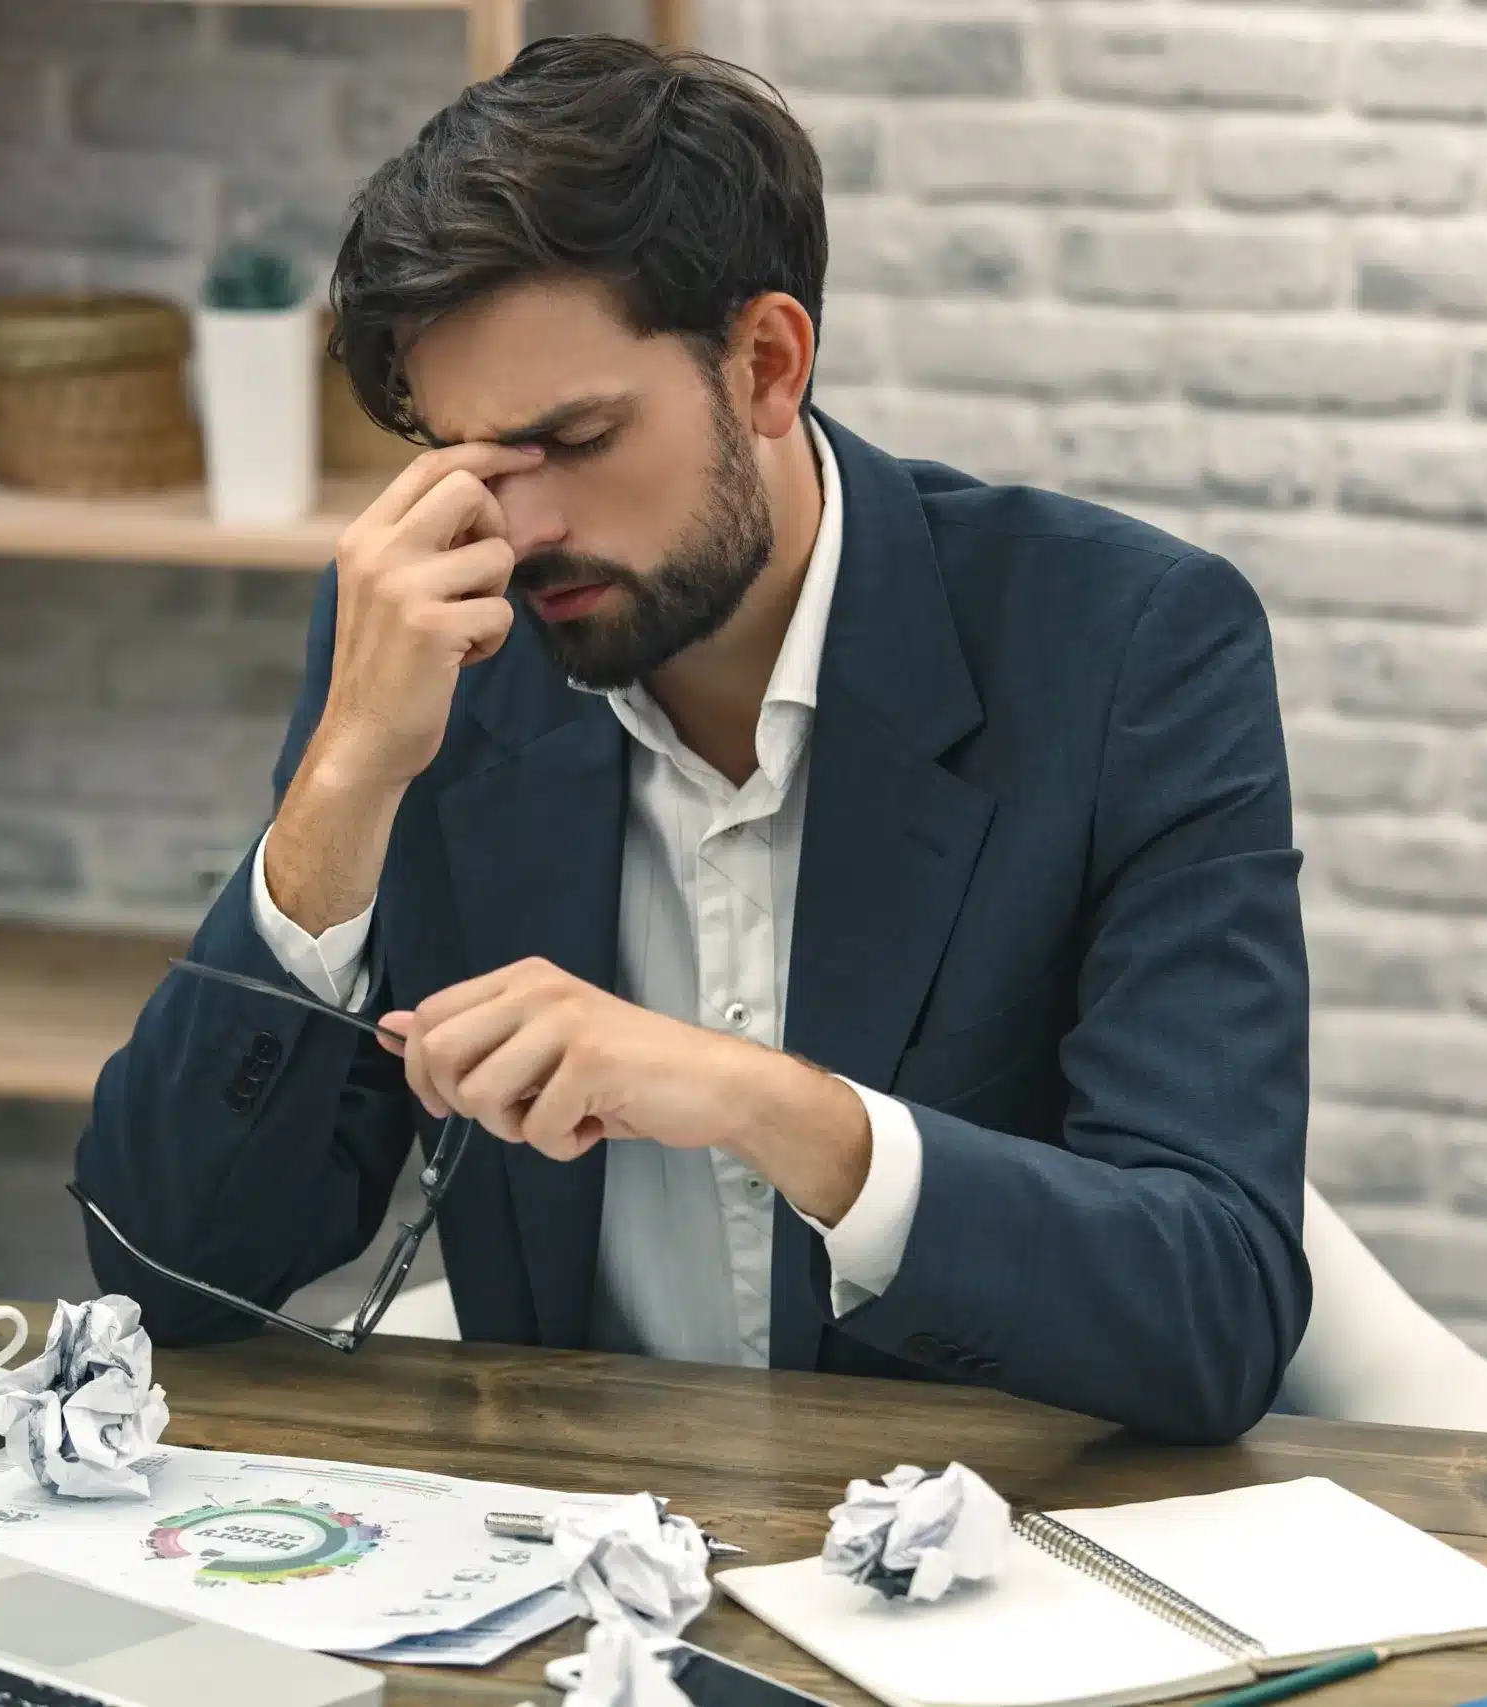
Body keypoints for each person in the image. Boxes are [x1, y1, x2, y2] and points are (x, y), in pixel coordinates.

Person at [76, 36, 1311, 1442]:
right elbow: (164, 1271)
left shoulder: (1130, 647)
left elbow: (1217, 1306)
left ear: (769, 362)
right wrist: (344, 777)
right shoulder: (434, 655)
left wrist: (764, 1103)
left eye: (578, 438)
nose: (520, 529)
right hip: (568, 1579)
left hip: (973, 1571)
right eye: (470, 460)